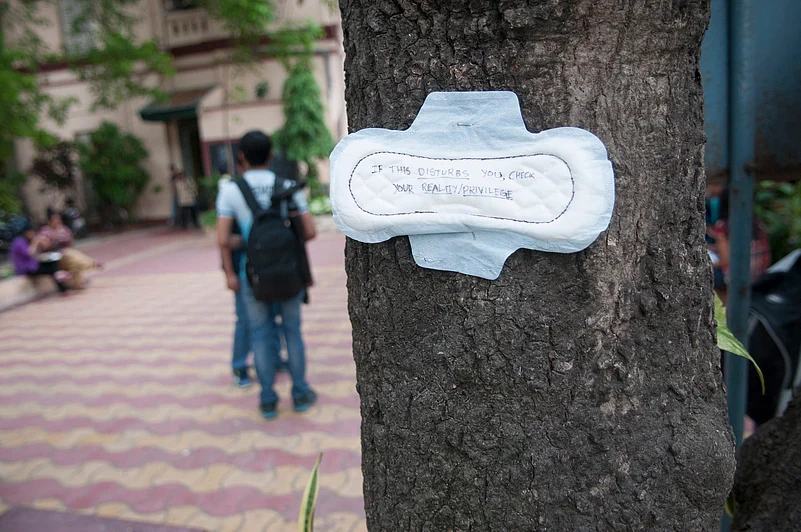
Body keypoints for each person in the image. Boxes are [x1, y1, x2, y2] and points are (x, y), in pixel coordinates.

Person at [216, 130, 317, 419]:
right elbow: (309, 232)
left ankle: (268, 399)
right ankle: (299, 394)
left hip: (254, 274)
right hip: (289, 272)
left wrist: (230, 271)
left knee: (260, 333)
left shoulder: (231, 190)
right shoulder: (287, 185)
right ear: (271, 156)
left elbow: (223, 239)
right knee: (292, 332)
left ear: (242, 157)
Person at [707, 187, 771, 302]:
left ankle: (725, 303)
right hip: (760, 275)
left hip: (737, 278)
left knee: (707, 273)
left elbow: (725, 260)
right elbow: (742, 247)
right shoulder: (756, 223)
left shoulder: (723, 226)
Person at [40, 209, 100, 290]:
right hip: (56, 258)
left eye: (58, 219)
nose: (57, 221)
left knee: (73, 258)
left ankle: (78, 283)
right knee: (70, 254)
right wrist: (53, 238)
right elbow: (45, 247)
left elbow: (70, 242)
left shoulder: (63, 229)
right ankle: (91, 264)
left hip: (67, 254)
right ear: (49, 221)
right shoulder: (45, 231)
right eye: (55, 219)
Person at [11, 223, 71, 293]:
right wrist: (35, 241)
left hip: (33, 266)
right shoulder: (19, 242)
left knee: (53, 264)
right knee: (52, 268)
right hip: (27, 269)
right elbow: (30, 253)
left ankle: (64, 287)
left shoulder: (25, 240)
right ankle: (63, 288)